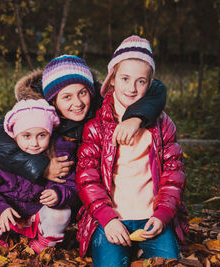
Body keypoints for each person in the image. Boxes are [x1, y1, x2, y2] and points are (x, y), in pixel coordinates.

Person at [75, 35, 189, 266]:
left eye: (141, 81)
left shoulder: (163, 124)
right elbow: (87, 177)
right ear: (113, 78)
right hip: (111, 217)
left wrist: (162, 215)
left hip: (151, 217)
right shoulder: (97, 125)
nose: (132, 88)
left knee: (168, 262)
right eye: (125, 78)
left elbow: (174, 174)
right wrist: (107, 219)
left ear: (151, 84)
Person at [0, 55, 167, 188]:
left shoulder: (99, 101)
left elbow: (155, 87)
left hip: (87, 184)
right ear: (52, 100)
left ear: (90, 91)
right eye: (67, 97)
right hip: (45, 187)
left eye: (82, 93)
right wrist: (40, 167)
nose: (77, 103)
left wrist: (136, 117)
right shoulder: (34, 109)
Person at [0, 99, 77, 253]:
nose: (34, 143)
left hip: (37, 215)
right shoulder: (1, 158)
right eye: (26, 136)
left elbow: (71, 186)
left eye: (42, 135)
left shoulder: (58, 157)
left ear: (50, 134)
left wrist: (58, 193)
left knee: (61, 213)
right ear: (14, 136)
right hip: (6, 214)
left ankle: (44, 242)